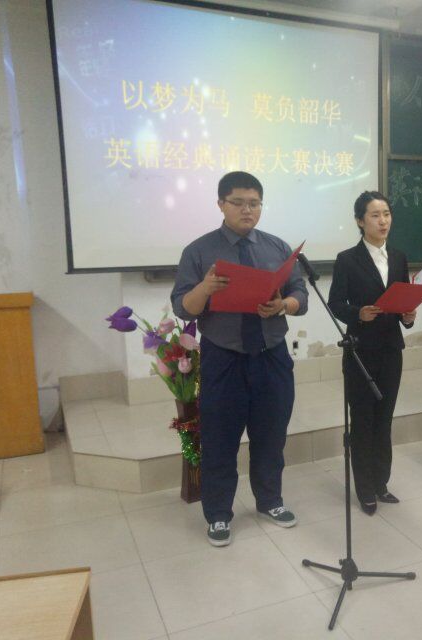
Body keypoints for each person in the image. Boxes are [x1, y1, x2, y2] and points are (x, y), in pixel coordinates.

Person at [170, 171, 308, 547]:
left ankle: (270, 500)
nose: (248, 210)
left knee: (271, 433)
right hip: (223, 357)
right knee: (220, 438)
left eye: (254, 203)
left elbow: (300, 292)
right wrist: (205, 287)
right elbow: (183, 307)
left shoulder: (277, 248)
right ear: (221, 205)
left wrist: (284, 304)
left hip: (271, 354)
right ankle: (218, 513)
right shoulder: (199, 251)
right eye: (239, 203)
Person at [328, 191, 416, 516]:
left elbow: (403, 300)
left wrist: (408, 316)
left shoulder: (399, 257)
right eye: (375, 215)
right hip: (360, 351)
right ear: (360, 221)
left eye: (387, 214)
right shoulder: (347, 259)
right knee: (363, 421)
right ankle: (364, 488)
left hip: (391, 349)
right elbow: (335, 303)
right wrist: (358, 314)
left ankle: (381, 482)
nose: (383, 221)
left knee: (384, 419)